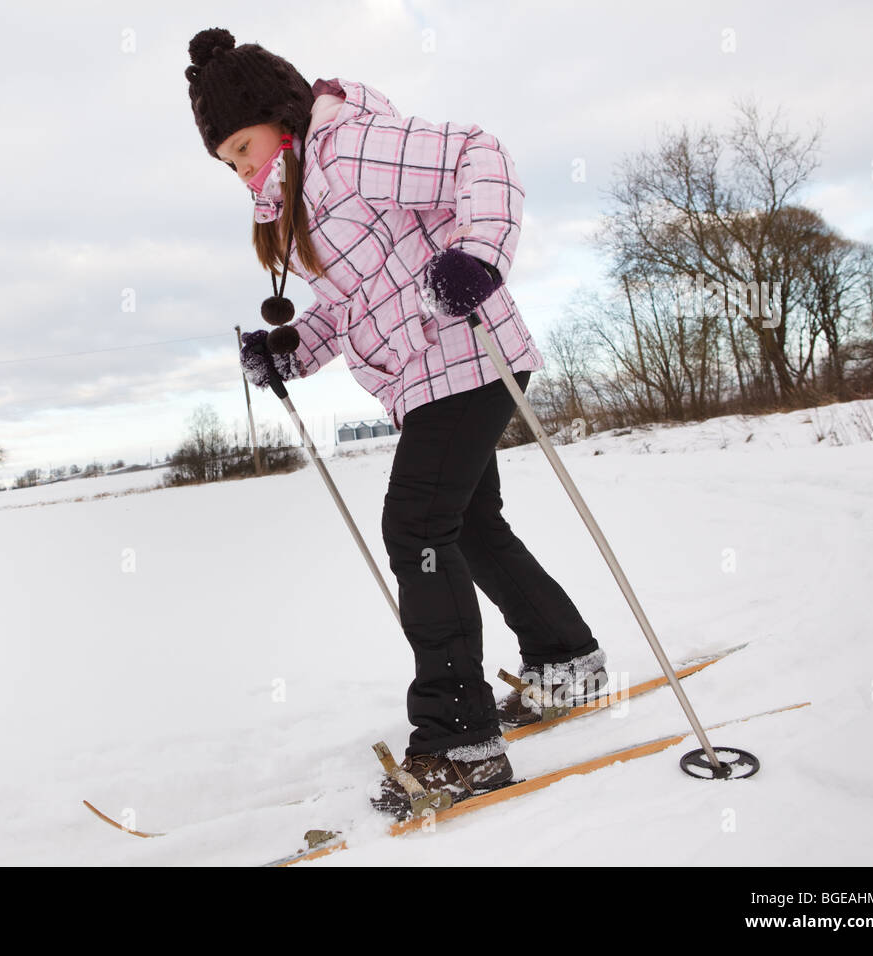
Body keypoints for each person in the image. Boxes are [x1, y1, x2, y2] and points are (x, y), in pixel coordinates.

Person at [185, 27, 608, 819]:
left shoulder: (348, 146)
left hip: (466, 350)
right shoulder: (303, 195)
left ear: (281, 118)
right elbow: (347, 304)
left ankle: (458, 741)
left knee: (415, 527)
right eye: (229, 163)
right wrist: (289, 350)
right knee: (469, 524)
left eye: (243, 147)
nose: (242, 170)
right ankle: (565, 660)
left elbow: (476, 154)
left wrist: (478, 252)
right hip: (424, 378)